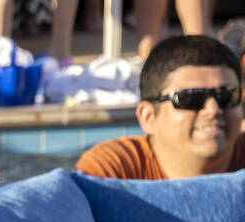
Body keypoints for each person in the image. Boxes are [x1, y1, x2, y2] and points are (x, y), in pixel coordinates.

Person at [74, 35, 244, 180]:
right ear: (148, 117)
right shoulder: (113, 171)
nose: (213, 109)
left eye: (227, 95)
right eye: (191, 97)